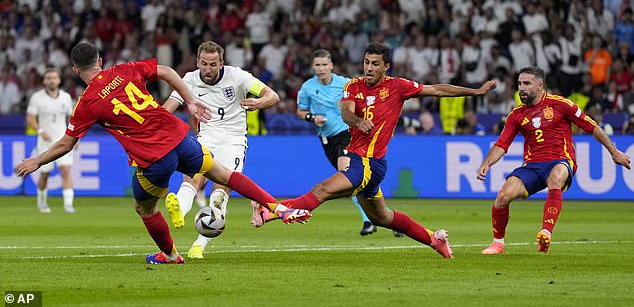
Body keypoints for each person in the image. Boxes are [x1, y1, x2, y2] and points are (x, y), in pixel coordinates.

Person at [15, 42, 311, 265]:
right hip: (180, 136)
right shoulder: (123, 69)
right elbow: (168, 72)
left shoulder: (87, 102)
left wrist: (36, 160)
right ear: (101, 61)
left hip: (153, 158)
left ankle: (170, 254)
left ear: (75, 70)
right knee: (224, 175)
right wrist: (191, 100)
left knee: (144, 208)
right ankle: (277, 207)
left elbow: (67, 143)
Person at [253, 42, 496, 258]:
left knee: (323, 189)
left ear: (386, 67)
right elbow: (346, 112)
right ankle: (435, 239)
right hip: (363, 161)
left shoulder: (398, 87)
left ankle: (271, 210)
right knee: (382, 218)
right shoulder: (353, 86)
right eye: (366, 62)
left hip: (369, 163)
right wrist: (358, 121)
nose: (368, 68)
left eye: (375, 64)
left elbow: (438, 90)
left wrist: (475, 91)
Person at [477, 67, 631, 254]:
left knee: (555, 178)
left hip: (561, 159)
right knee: (503, 196)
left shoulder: (561, 104)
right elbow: (502, 144)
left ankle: (546, 233)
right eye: (519, 84)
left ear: (540, 85)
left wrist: (614, 152)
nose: (521, 88)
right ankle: (498, 243)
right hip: (532, 165)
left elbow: (592, 127)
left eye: (526, 83)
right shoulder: (516, 115)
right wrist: (486, 163)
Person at [162, 41, 280, 259]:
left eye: (213, 64)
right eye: (204, 64)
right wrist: (155, 124)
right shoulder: (189, 80)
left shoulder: (238, 77)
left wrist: (259, 103)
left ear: (222, 63)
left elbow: (272, 95)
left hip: (233, 140)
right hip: (206, 137)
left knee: (221, 189)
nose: (208, 69)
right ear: (197, 62)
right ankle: (179, 206)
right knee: (193, 178)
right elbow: (168, 107)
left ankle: (200, 243)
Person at [297, 48, 399, 237]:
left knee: (348, 176)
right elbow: (300, 111)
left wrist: (381, 129)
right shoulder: (307, 88)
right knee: (356, 183)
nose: (321, 69)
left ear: (331, 66)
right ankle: (386, 218)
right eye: (317, 65)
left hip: (348, 135)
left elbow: (368, 104)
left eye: (324, 64)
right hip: (327, 139)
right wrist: (312, 118)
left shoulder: (345, 84)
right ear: (313, 67)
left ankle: (369, 221)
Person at [26, 67, 76, 213]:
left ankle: (68, 205)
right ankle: (41, 202)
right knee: (44, 173)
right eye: (49, 78)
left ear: (59, 80)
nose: (52, 80)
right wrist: (40, 131)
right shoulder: (37, 97)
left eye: (54, 77)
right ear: (44, 81)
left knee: (66, 170)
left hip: (63, 140)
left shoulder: (66, 97)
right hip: (45, 141)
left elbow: (71, 118)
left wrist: (75, 137)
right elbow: (30, 118)